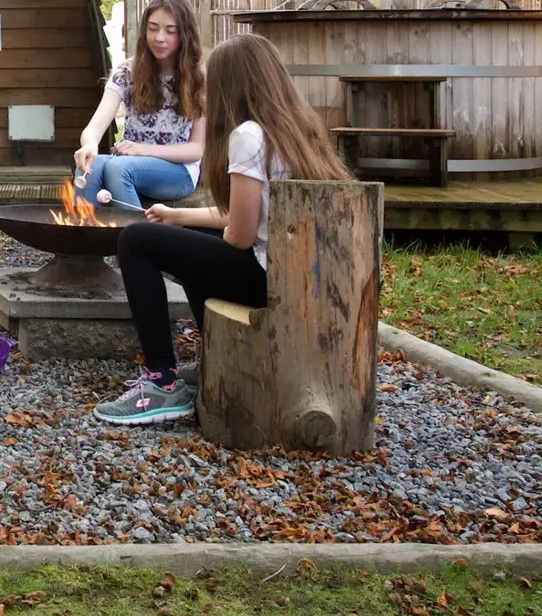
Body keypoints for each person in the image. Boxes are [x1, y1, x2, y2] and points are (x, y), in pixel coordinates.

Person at [93, 31, 353, 425]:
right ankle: (212, 360)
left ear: (231, 85)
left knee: (134, 241)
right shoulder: (297, 124)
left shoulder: (248, 136)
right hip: (299, 270)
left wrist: (187, 237)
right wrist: (178, 218)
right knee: (188, 244)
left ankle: (163, 381)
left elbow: (240, 235)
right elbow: (246, 216)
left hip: (269, 277)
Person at [73, 0, 206, 213]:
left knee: (117, 168)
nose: (159, 37)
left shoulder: (199, 78)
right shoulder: (127, 72)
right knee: (90, 167)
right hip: (129, 164)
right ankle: (85, 241)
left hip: (178, 172)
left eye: (170, 31)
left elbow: (196, 149)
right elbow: (96, 125)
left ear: (185, 34)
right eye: (153, 28)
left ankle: (141, 243)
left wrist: (142, 149)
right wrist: (89, 144)